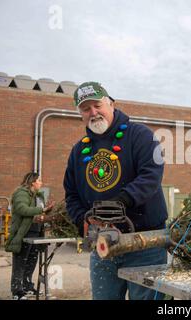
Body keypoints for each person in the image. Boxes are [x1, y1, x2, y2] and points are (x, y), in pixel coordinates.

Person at [63, 82, 168, 300]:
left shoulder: (140, 135)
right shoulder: (78, 150)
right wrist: (82, 217)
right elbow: (71, 194)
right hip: (102, 247)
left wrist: (122, 201)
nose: (93, 112)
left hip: (144, 244)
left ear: (111, 104)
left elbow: (151, 175)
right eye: (85, 109)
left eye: (97, 105)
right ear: (80, 114)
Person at [5, 172, 55, 300]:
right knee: (20, 262)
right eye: (39, 180)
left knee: (31, 261)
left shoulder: (38, 196)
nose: (41, 182)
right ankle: (17, 291)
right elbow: (22, 209)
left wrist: (47, 213)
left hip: (36, 232)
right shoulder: (21, 193)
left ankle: (27, 286)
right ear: (32, 182)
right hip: (24, 233)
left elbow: (38, 213)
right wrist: (42, 210)